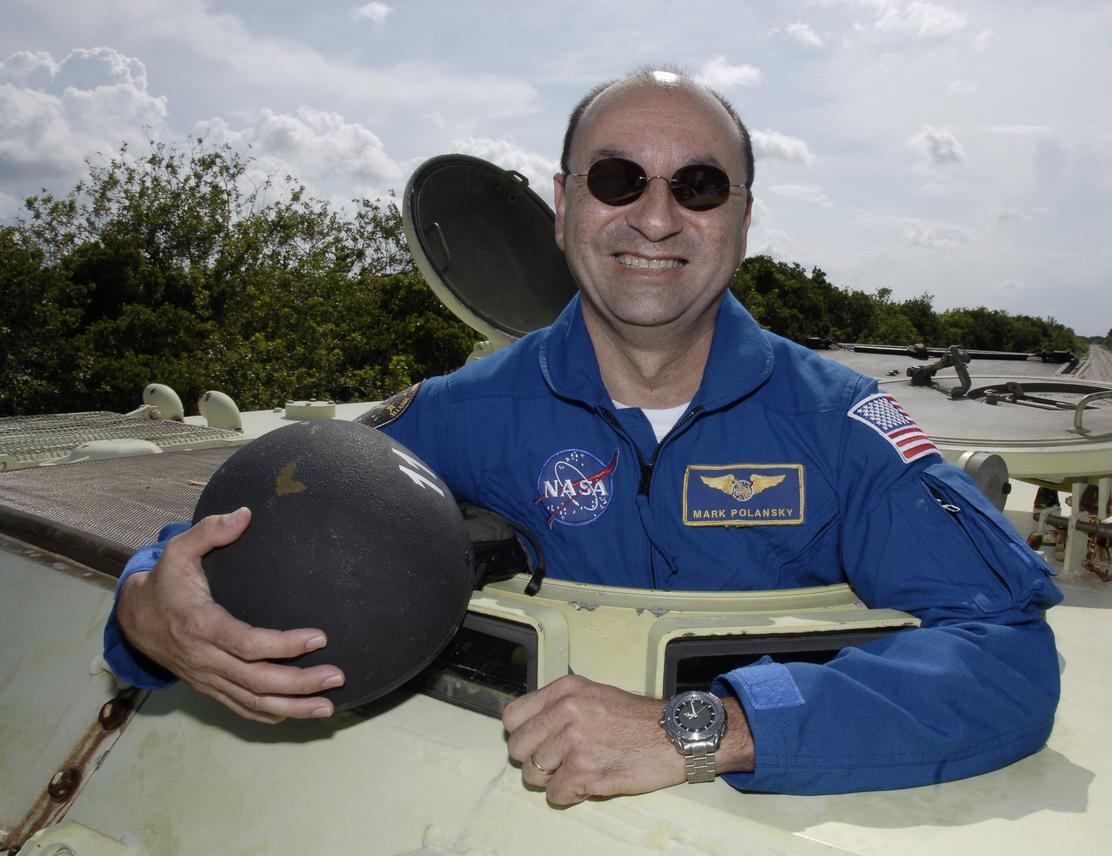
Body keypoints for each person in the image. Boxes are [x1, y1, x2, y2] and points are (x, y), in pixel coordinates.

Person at [105, 68, 1062, 804]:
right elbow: (264, 527)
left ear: (741, 221)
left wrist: (709, 728)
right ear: (562, 208)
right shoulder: (457, 414)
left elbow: (1006, 657)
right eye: (616, 180)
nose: (655, 216)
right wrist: (148, 613)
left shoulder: (844, 429)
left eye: (698, 186)